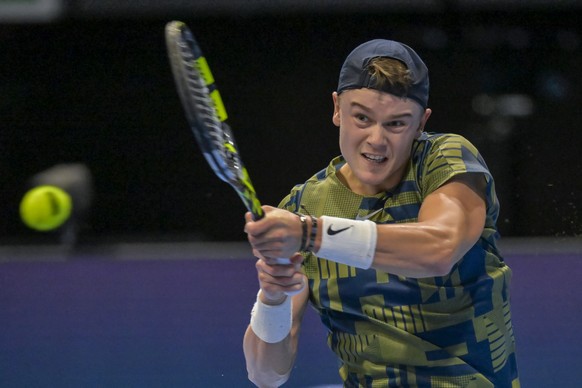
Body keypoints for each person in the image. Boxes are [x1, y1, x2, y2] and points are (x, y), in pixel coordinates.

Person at [243, 39, 519, 387]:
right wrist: (273, 298)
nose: (376, 139)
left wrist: (310, 234)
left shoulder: (444, 159)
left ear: (421, 124)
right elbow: (266, 375)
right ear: (337, 109)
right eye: (362, 117)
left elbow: (440, 250)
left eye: (396, 124)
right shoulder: (303, 206)